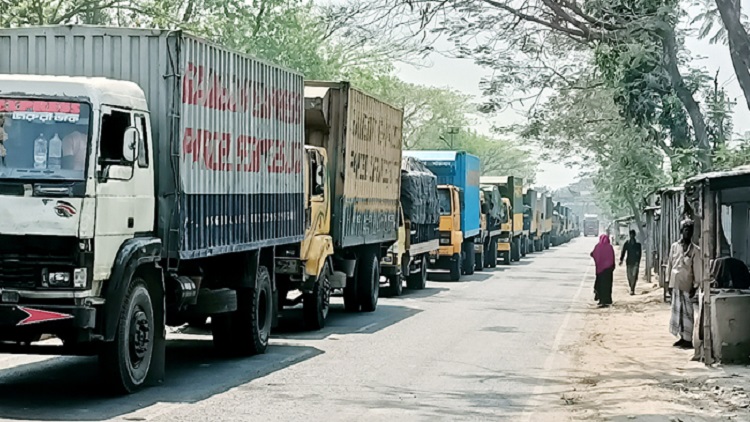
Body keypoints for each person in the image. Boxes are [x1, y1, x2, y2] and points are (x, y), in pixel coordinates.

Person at [667, 220, 701, 349]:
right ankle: (681, 337)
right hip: (675, 284)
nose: (687, 232)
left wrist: (695, 285)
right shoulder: (674, 247)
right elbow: (670, 264)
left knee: (687, 313)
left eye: (690, 230)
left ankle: (688, 339)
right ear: (681, 231)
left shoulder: (695, 250)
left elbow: (697, 268)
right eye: (685, 229)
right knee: (677, 313)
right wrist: (668, 283)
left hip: (687, 285)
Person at [591, 234, 615, 308]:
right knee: (608, 285)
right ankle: (607, 299)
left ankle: (601, 299)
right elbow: (612, 258)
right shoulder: (610, 247)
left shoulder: (598, 247)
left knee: (601, 285)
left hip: (600, 270)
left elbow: (593, 254)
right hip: (608, 270)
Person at [619, 229, 642, 295]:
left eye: (633, 234)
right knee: (629, 276)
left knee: (634, 276)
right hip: (629, 262)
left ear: (634, 235)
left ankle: (632, 289)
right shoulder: (627, 243)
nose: (632, 236)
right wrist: (621, 260)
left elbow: (639, 255)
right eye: (631, 234)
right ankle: (631, 287)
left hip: (635, 262)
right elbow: (623, 251)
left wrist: (638, 262)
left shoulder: (638, 245)